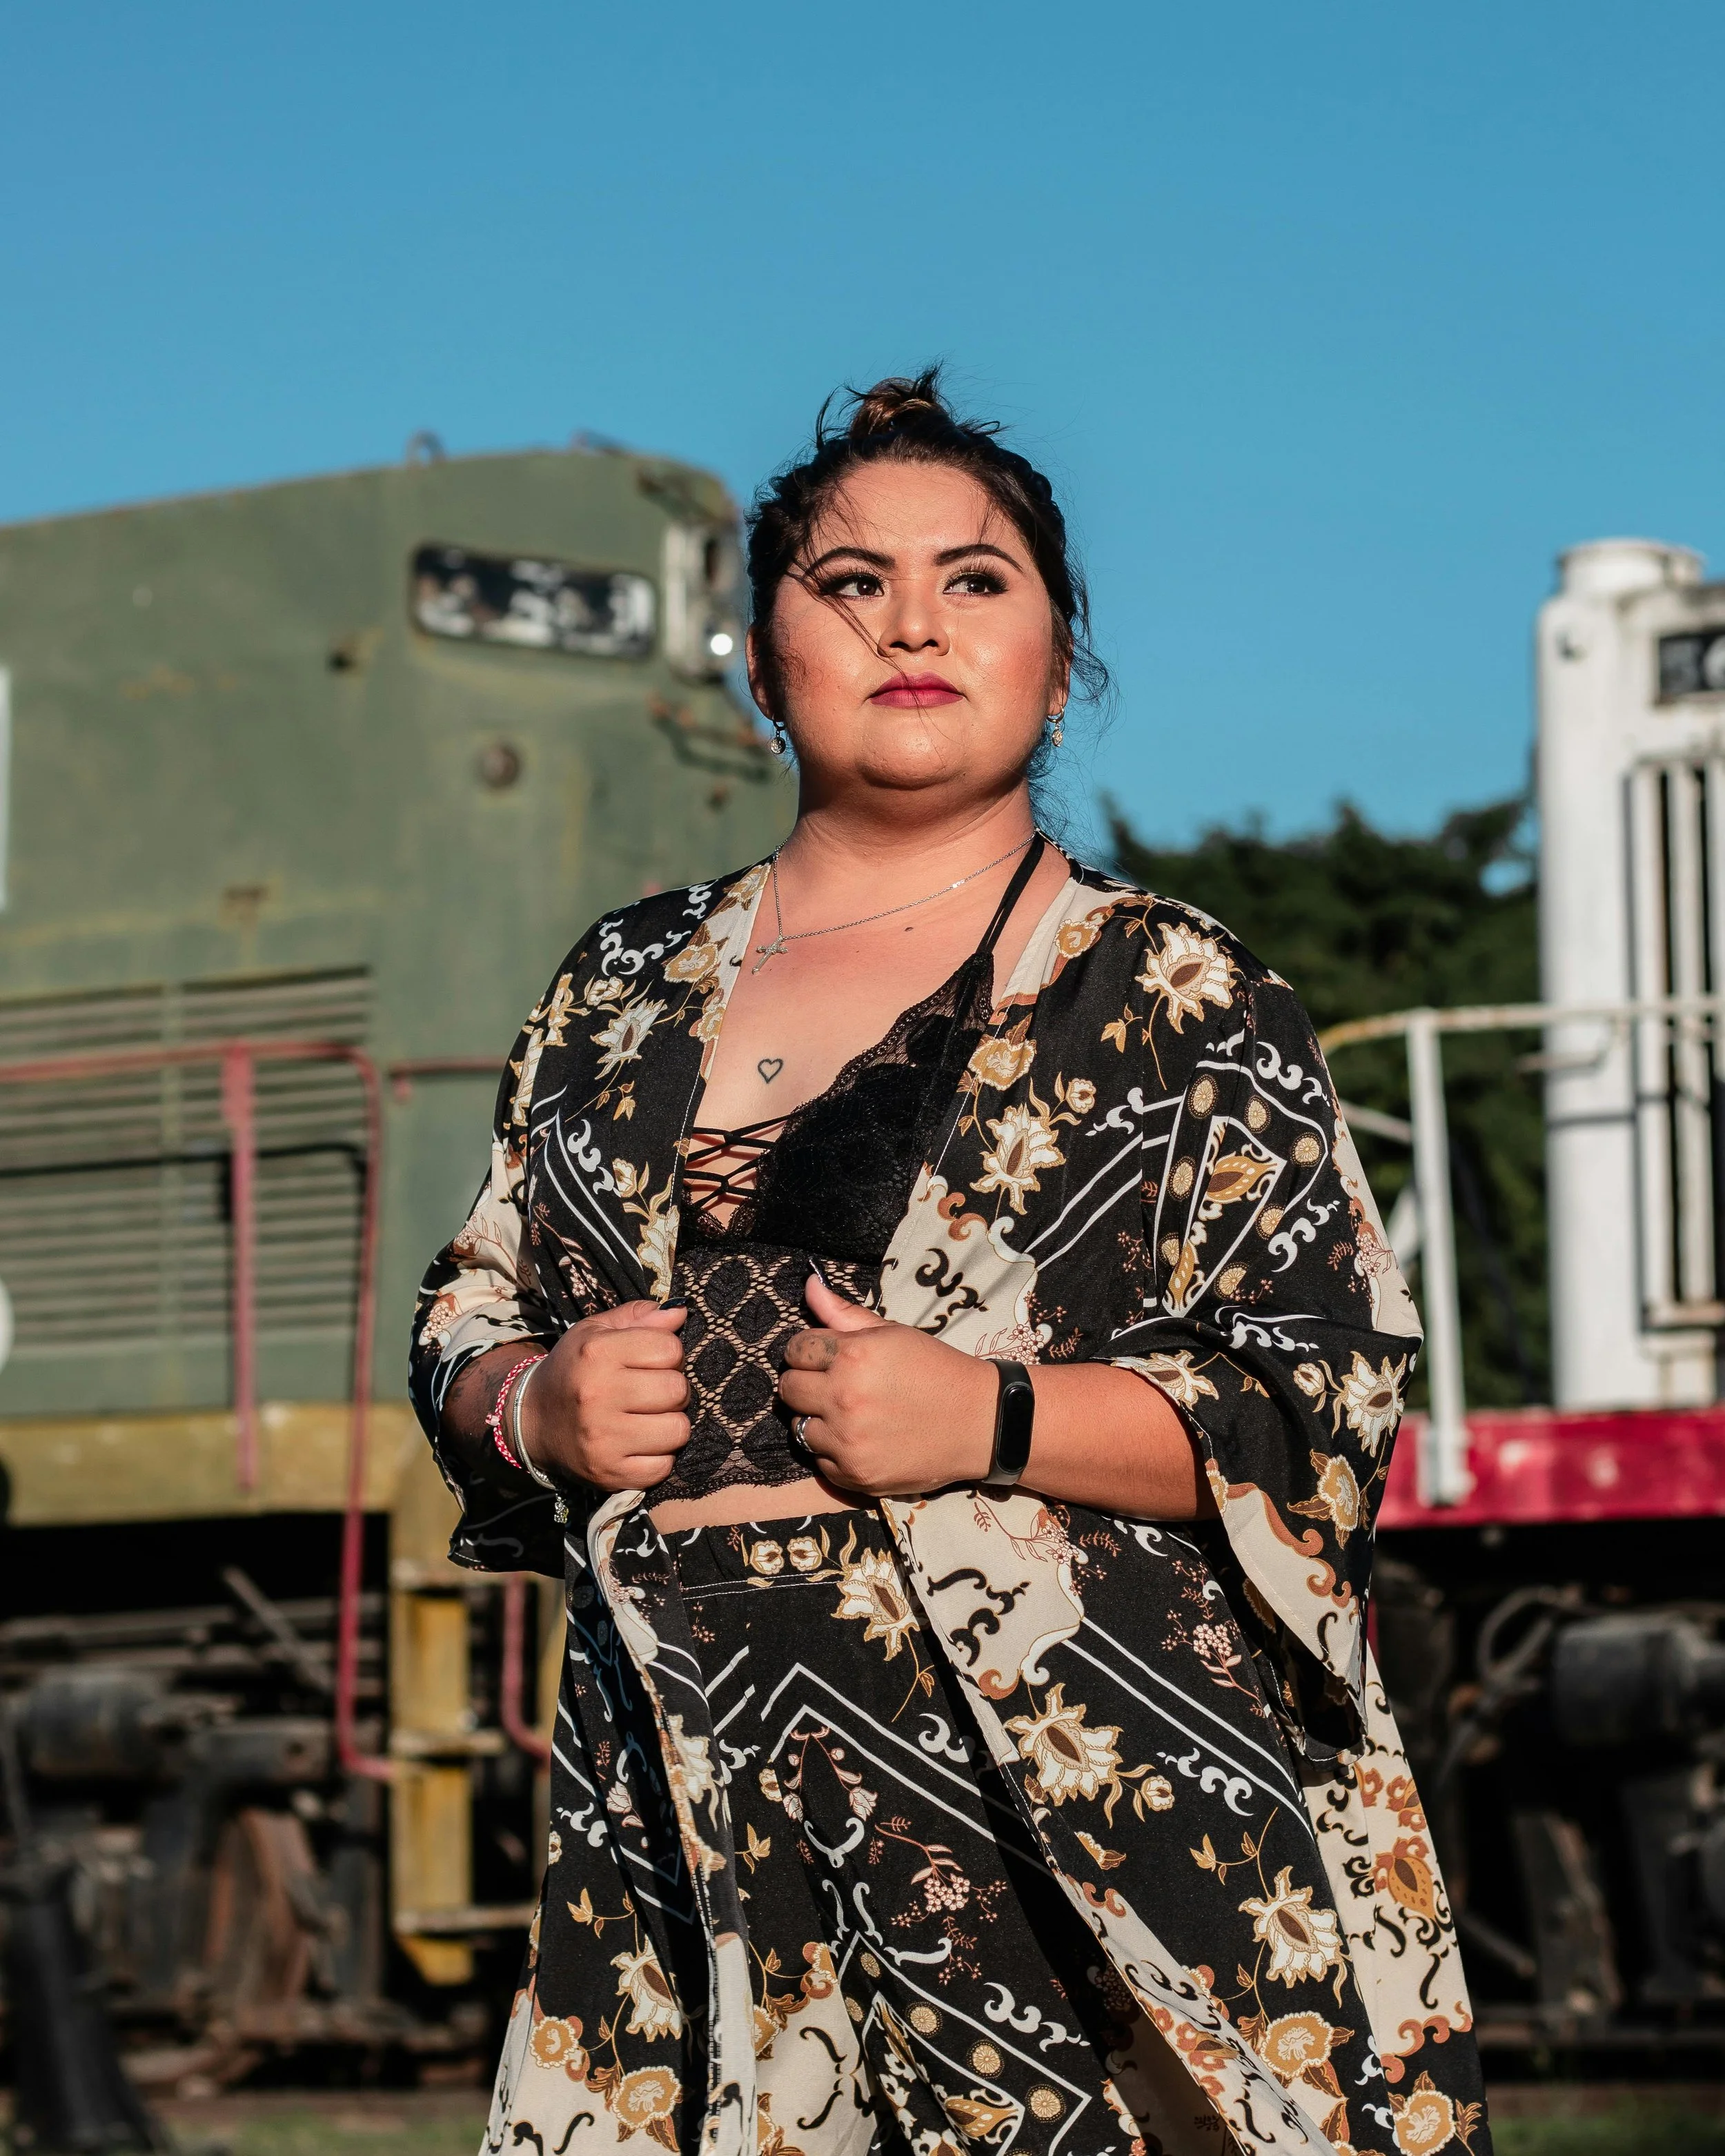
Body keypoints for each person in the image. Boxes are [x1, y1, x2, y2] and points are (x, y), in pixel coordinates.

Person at [410, 371, 1491, 2156]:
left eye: (974, 577)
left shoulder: (1180, 999)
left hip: (1063, 1837)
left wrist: (982, 1413)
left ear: (1060, 662)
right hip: (689, 1836)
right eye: (848, 580)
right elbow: (471, 1299)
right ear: (762, 665)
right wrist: (529, 1401)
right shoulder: (611, 992)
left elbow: (1323, 1400)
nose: (912, 617)